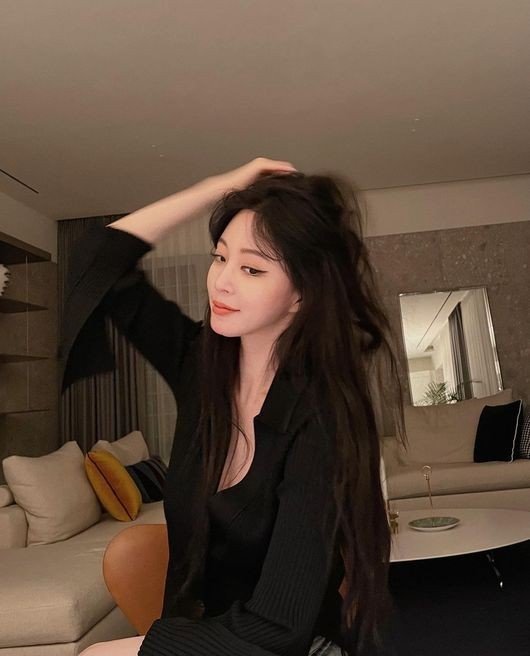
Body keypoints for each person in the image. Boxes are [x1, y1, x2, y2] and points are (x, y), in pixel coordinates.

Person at [62, 158, 403, 656]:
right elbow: (97, 257)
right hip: (203, 639)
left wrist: (125, 650)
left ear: (302, 294)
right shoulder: (201, 366)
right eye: (219, 257)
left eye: (252, 268)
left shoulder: (322, 416)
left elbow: (279, 629)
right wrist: (219, 188)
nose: (221, 282)